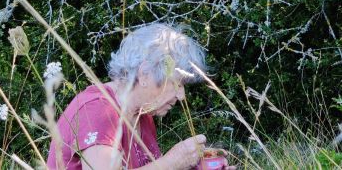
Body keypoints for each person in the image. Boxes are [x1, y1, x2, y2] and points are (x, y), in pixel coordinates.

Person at [47, 23, 235, 169]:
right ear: (145, 73)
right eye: (177, 83)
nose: (181, 96)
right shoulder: (97, 110)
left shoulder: (143, 114)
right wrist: (171, 163)